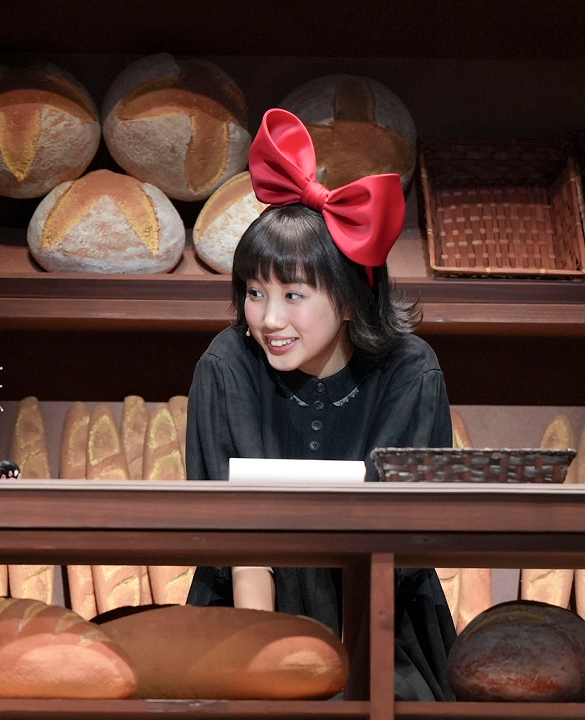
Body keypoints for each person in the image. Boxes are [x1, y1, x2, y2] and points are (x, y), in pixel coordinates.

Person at [185, 108, 456, 701]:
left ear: (351, 300)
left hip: (384, 624)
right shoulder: (226, 364)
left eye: (293, 295)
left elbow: (403, 547)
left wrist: (345, 678)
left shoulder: (410, 372)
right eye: (255, 292)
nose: (268, 319)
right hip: (243, 617)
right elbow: (237, 541)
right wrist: (267, 675)